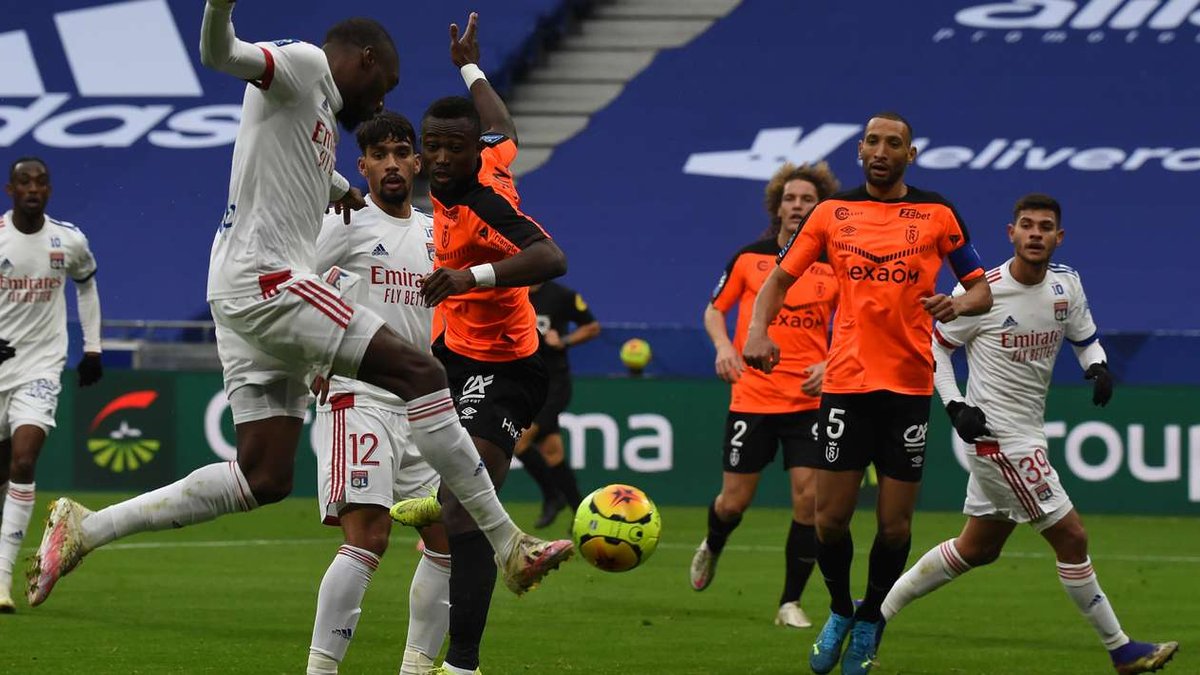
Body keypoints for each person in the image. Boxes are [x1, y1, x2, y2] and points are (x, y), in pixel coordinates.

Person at [27, 0, 571, 612]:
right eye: (384, 85)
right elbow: (220, 53)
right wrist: (220, 6)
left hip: (239, 289)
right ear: (365, 60)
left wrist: (339, 186)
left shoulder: (316, 119)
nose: (381, 103)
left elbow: (290, 166)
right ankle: (506, 542)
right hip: (269, 280)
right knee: (421, 372)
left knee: (263, 476)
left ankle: (87, 528)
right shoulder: (306, 65)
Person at [879, 193, 1177, 675]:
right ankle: (1122, 649)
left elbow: (1084, 338)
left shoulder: (1066, 285)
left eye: (1045, 227)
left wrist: (1098, 366)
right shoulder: (982, 293)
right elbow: (936, 349)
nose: (1035, 234)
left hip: (1027, 432)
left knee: (978, 548)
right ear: (1011, 233)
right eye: (1027, 225)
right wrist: (955, 406)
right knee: (1072, 537)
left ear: (1059, 237)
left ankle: (874, 612)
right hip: (998, 440)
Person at [743, 112, 993, 675]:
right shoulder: (832, 213)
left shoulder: (937, 213)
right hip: (847, 386)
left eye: (893, 143)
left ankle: (871, 617)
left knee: (895, 526)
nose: (882, 151)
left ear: (910, 154)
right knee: (829, 520)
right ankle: (839, 609)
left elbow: (981, 289)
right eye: (873, 142)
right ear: (860, 150)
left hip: (907, 389)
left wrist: (957, 302)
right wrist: (758, 330)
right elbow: (778, 279)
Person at [411, 13, 571, 675]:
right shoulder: (491, 151)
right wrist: (471, 67)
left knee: (463, 511)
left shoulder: (484, 204)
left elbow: (552, 258)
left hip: (506, 364)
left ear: (472, 154)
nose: (442, 159)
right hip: (454, 354)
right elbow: (503, 123)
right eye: (433, 146)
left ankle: (462, 663)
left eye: (454, 148)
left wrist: (468, 277)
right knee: (450, 509)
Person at [304, 111, 452, 675]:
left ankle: (416, 667)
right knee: (369, 536)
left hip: (420, 407)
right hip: (359, 397)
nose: (392, 164)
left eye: (401, 153)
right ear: (362, 166)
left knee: (449, 537)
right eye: (380, 155)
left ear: (417, 163)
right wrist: (313, 358)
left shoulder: (435, 232)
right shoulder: (344, 223)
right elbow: (292, 282)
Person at [690, 162, 841, 632]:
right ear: (777, 206)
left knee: (809, 502)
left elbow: (856, 325)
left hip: (808, 403)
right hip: (752, 398)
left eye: (808, 200)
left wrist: (830, 364)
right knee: (733, 503)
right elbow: (714, 310)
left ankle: (790, 602)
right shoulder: (750, 258)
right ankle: (714, 542)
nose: (798, 206)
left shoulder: (835, 264)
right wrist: (723, 348)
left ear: (820, 209)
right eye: (790, 198)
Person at [0, 157, 103, 612]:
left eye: (40, 182)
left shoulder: (68, 240)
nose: (33, 188)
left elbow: (87, 285)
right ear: (10, 190)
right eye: (24, 182)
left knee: (23, 461)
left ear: (49, 190)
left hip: (40, 368)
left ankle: (2, 581)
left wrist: (93, 348)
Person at [514, 279, 600, 529]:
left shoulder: (561, 295)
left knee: (519, 442)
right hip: (529, 382)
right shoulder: (513, 293)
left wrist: (564, 340)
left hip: (554, 384)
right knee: (553, 452)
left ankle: (552, 496)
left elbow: (592, 327)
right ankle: (583, 515)